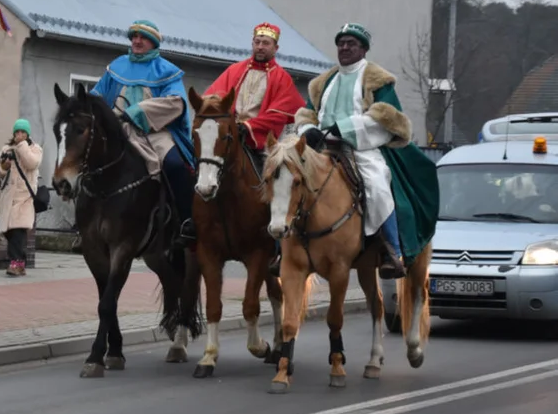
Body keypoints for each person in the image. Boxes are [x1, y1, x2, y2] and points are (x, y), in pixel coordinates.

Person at [295, 23, 440, 280]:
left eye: (351, 43)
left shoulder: (377, 79)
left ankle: (392, 251)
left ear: (363, 49)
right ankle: (282, 248)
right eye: (341, 43)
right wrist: (308, 129)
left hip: (360, 148)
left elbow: (386, 117)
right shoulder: (323, 81)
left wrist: (347, 128)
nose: (345, 47)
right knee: (286, 176)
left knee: (378, 184)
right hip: (320, 148)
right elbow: (307, 112)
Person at [183, 22, 306, 241]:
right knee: (202, 166)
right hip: (229, 135)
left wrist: (249, 126)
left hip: (260, 141)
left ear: (275, 48)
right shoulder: (235, 70)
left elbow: (279, 114)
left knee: (276, 179)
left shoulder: (282, 77)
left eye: (266, 43)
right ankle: (193, 221)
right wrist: (227, 123)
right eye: (257, 42)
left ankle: (278, 236)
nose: (260, 47)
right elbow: (212, 101)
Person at [89, 20, 196, 246]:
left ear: (153, 43)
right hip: (119, 131)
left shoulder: (166, 71)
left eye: (142, 38)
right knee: (89, 160)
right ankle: (85, 225)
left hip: (155, 132)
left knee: (176, 165)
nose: (137, 41)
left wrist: (139, 112)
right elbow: (97, 97)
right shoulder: (116, 66)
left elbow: (176, 103)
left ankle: (186, 222)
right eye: (133, 37)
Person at [0, 119, 43, 277]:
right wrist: (4, 166)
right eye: (17, 132)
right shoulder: (7, 149)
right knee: (9, 231)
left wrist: (21, 146)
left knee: (18, 230)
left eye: (23, 132)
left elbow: (31, 163)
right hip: (9, 196)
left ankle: (15, 262)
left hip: (24, 197)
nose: (19, 135)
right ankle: (20, 262)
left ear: (27, 134)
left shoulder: (35, 149)